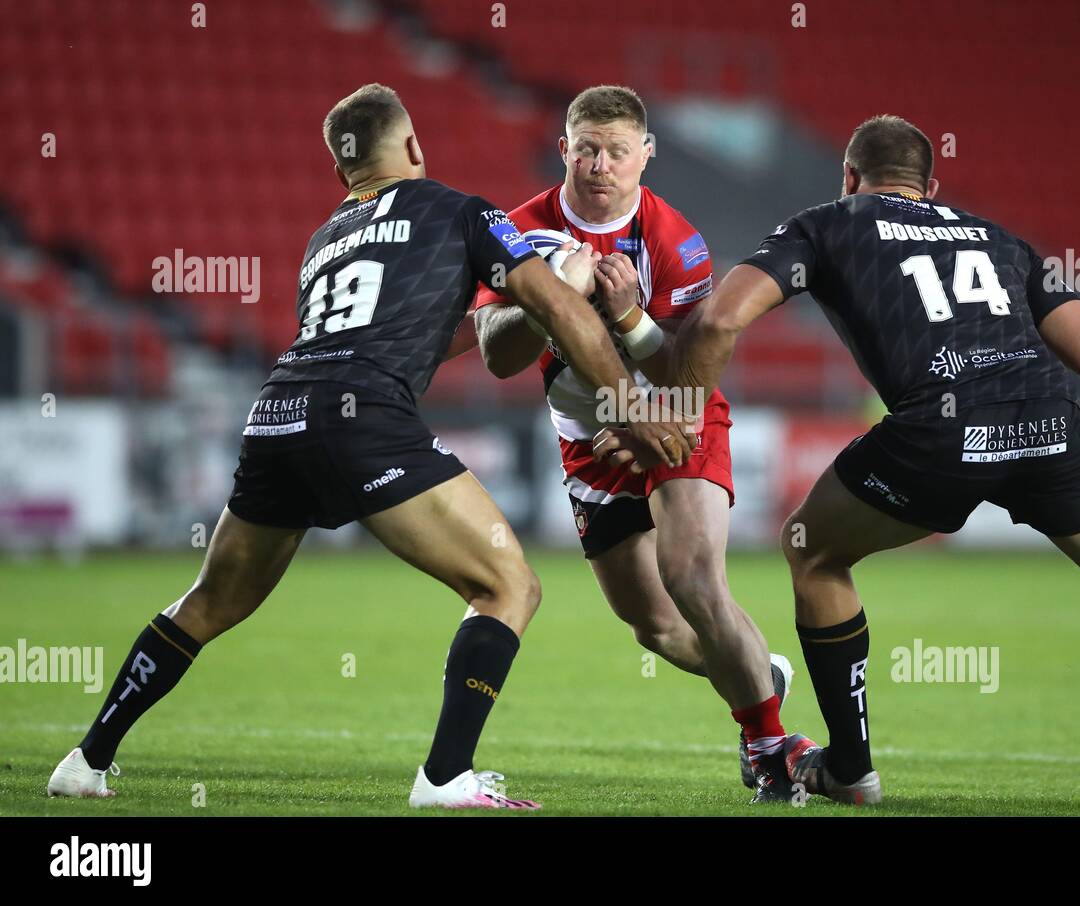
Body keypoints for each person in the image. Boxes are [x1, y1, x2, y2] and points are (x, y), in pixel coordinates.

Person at [46, 83, 693, 811]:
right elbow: (554, 309)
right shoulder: (462, 210)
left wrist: (536, 309)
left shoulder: (326, 239)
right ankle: (446, 778)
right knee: (509, 586)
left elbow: (416, 331)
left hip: (277, 414)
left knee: (208, 601)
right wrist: (629, 400)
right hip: (363, 420)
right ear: (414, 149)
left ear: (341, 173)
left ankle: (86, 758)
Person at [623, 113, 1080, 805]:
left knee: (813, 549)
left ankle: (851, 769)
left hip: (942, 435)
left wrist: (678, 417)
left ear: (850, 178)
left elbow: (715, 322)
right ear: (931, 186)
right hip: (1048, 426)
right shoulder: (997, 238)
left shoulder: (828, 223)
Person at [472, 85, 794, 800]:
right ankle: (759, 675)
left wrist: (625, 315)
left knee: (692, 578)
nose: (600, 165)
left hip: (679, 416)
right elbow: (496, 354)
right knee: (657, 628)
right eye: (587, 148)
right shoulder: (515, 231)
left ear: (645, 155)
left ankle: (768, 742)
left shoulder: (675, 240)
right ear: (564, 149)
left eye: (618, 151)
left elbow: (685, 368)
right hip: (588, 442)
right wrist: (548, 296)